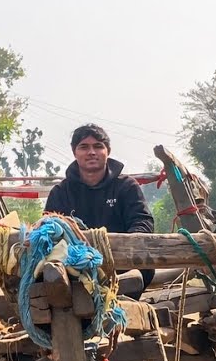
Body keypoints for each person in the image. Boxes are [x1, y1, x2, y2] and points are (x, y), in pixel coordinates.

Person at [43, 123, 155, 299]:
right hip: (74, 271)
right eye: (84, 147)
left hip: (123, 268)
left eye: (98, 146)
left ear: (107, 151)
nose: (91, 152)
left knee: (141, 269)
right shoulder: (60, 192)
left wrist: (120, 248)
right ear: (74, 152)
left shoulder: (127, 187)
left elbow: (143, 222)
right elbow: (47, 230)